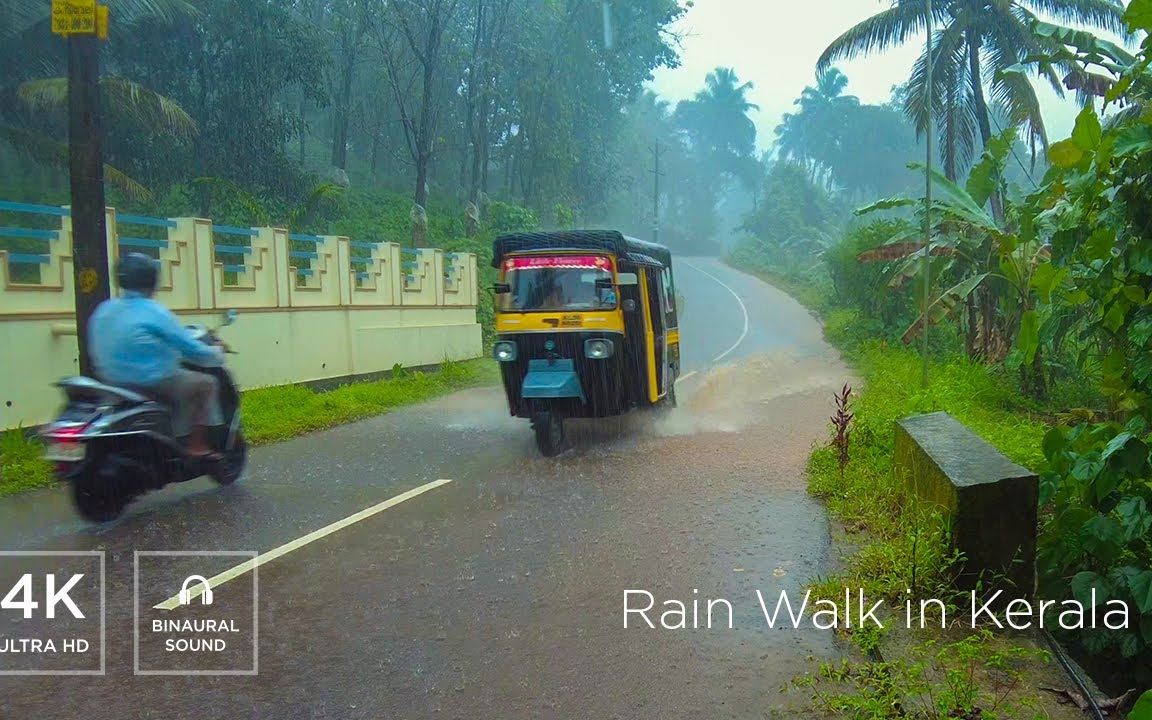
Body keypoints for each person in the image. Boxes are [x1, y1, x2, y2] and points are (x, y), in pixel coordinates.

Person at [89, 253, 225, 458]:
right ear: (152, 280)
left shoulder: (104, 310)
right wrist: (216, 354)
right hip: (153, 382)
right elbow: (191, 348)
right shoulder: (155, 312)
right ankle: (196, 445)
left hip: (112, 382)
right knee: (206, 384)